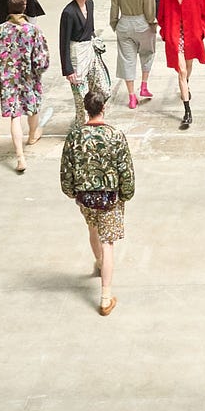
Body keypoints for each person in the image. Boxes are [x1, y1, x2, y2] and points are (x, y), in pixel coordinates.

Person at [59, 90, 134, 315]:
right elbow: (125, 169)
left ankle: (99, 264)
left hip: (84, 196)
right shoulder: (115, 135)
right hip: (110, 197)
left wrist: (70, 191)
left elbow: (66, 167)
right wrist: (126, 194)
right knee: (108, 242)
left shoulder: (74, 136)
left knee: (92, 230)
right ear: (104, 108)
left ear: (86, 109)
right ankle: (105, 296)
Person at [0, 0, 49, 173]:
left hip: (9, 79)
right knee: (32, 107)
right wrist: (38, 70)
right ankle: (33, 135)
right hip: (29, 77)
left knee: (15, 115)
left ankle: (20, 155)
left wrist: (1, 69)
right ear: (25, 6)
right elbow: (42, 58)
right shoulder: (33, 30)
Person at [156, 0, 205, 130]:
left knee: (188, 66)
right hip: (175, 37)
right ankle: (187, 111)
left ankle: (185, 84)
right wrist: (165, 35)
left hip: (192, 36)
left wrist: (201, 33)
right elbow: (161, 18)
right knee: (182, 71)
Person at [108, 0, 158, 110]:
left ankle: (131, 96)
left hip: (124, 22)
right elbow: (150, 7)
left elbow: (114, 6)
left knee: (126, 59)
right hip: (142, 21)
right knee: (147, 53)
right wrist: (152, 23)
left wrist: (114, 23)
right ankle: (144, 85)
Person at [58, 0, 100, 121]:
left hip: (89, 48)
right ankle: (81, 124)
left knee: (101, 88)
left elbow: (91, 27)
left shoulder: (90, 4)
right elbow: (64, 41)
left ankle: (94, 117)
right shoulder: (68, 12)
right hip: (76, 51)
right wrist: (68, 68)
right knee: (81, 96)